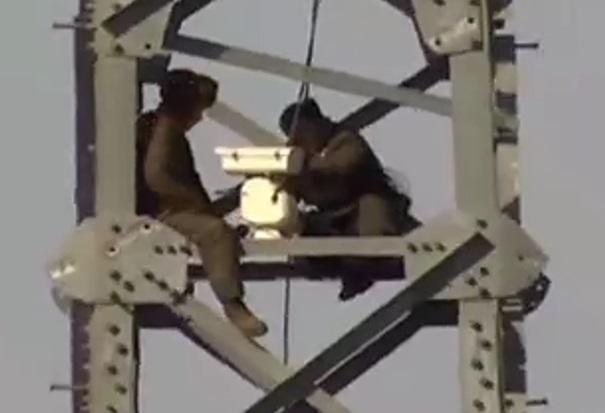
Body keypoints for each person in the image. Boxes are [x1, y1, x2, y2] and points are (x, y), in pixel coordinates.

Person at [136, 69, 268, 337]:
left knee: (217, 229)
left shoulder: (162, 128)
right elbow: (157, 175)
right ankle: (233, 306)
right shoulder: (163, 129)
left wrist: (232, 198)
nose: (199, 118)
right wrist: (193, 205)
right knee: (214, 232)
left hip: (167, 211)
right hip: (157, 216)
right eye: (198, 109)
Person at [279, 98, 421, 301]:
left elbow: (341, 165)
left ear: (318, 123)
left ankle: (363, 265)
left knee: (372, 224)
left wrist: (302, 162)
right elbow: (289, 193)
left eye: (304, 131)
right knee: (302, 233)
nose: (301, 139)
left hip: (369, 210)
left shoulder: (346, 140)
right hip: (335, 219)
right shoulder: (303, 163)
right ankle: (341, 265)